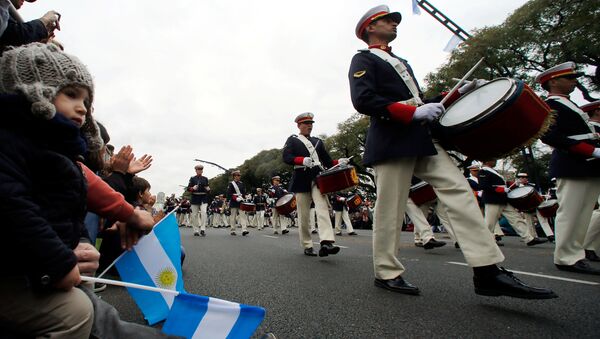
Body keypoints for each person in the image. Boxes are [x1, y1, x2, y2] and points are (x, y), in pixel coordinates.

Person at [348, 5, 556, 298]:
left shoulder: (400, 61)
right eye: (387, 21)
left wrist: (456, 93)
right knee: (390, 209)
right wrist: (411, 114)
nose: (394, 24)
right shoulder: (364, 59)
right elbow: (364, 99)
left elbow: (418, 100)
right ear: (370, 28)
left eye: (395, 21)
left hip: (421, 137)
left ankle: (487, 270)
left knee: (459, 191)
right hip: (392, 138)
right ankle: (387, 272)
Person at [0, 42, 166, 338]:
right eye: (71, 94)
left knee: (105, 323)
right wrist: (59, 262)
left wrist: (79, 240)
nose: (82, 108)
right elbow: (13, 208)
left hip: (43, 266)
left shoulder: (57, 151)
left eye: (86, 101)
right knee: (76, 314)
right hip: (23, 273)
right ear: (35, 91)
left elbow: (63, 206)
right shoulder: (14, 143)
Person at [538, 62, 600, 274]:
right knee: (571, 212)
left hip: (587, 164)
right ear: (554, 82)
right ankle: (566, 257)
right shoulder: (551, 105)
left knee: (583, 213)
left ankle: (576, 253)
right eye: (570, 78)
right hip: (572, 162)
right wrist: (590, 151)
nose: (575, 81)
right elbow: (550, 135)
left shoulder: (568, 103)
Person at [283, 112, 346, 257]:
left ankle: (326, 242)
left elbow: (328, 162)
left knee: (322, 208)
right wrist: (300, 160)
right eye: (306, 124)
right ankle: (307, 244)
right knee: (304, 214)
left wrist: (339, 162)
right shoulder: (293, 140)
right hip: (301, 178)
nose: (309, 126)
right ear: (299, 125)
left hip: (318, 177)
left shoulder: (318, 142)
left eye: (311, 124)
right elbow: (286, 157)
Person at [479, 161, 547, 247]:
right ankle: (484, 241)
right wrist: (501, 189)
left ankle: (529, 238)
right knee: (489, 223)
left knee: (516, 218)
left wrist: (508, 187)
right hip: (493, 200)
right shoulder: (483, 171)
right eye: (493, 159)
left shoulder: (493, 171)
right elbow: (484, 186)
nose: (495, 161)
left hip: (503, 199)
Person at [188, 164, 210, 236]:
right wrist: (192, 188)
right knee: (194, 215)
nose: (200, 171)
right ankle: (196, 230)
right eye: (198, 169)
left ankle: (203, 229)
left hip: (203, 197)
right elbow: (188, 188)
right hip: (195, 197)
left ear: (202, 171)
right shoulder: (192, 178)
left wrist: (208, 189)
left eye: (201, 170)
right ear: (196, 170)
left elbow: (207, 188)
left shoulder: (205, 178)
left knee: (204, 213)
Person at [227, 170, 249, 236]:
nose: (239, 177)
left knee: (243, 216)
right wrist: (236, 198)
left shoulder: (241, 184)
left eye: (239, 175)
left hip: (241, 201)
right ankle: (233, 230)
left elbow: (244, 192)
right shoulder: (231, 184)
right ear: (234, 176)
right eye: (237, 175)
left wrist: (246, 196)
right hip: (234, 202)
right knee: (233, 217)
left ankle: (244, 229)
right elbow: (229, 194)